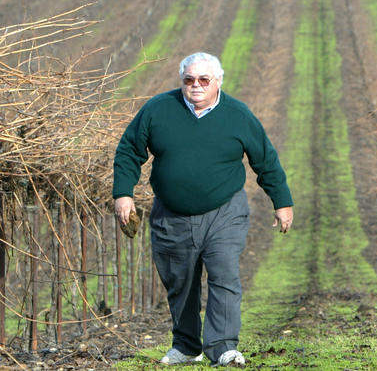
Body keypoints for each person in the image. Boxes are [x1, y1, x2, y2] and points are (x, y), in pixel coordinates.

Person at [113, 52, 294, 367]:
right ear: (182, 81)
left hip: (225, 211)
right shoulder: (158, 110)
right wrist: (123, 194)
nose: (195, 85)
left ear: (218, 81)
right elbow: (129, 150)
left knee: (224, 273)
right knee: (179, 281)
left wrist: (282, 202)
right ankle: (185, 346)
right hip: (170, 214)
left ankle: (223, 347)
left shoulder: (238, 115)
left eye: (203, 80)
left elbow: (265, 159)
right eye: (189, 80)